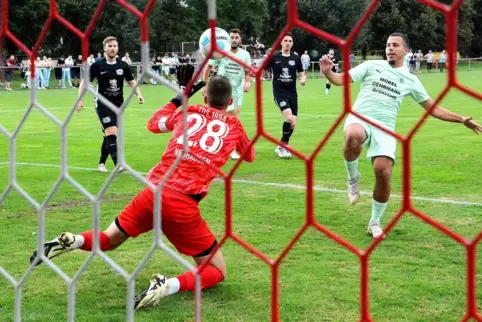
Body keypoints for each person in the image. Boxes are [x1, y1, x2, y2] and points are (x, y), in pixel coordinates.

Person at [29, 71, 256, 310]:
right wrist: (231, 122)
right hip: (182, 203)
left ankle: (73, 240)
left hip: (152, 192)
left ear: (205, 98)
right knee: (216, 270)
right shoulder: (234, 126)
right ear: (231, 102)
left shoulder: (188, 111)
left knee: (109, 239)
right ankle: (167, 285)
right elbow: (249, 156)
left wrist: (181, 98)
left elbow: (153, 123)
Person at [319, 32, 482, 238]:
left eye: (395, 45)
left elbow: (432, 108)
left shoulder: (410, 80)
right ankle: (353, 179)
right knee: (352, 134)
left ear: (406, 50)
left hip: (385, 128)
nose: (389, 48)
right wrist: (327, 73)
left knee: (383, 172)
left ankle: (375, 222)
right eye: (387, 44)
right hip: (360, 118)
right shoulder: (371, 66)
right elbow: (341, 79)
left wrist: (461, 119)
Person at [76, 36, 144, 172]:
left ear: (117, 48)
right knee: (111, 131)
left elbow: (131, 81)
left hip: (118, 105)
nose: (112, 48)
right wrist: (80, 99)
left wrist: (139, 94)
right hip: (102, 103)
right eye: (109, 46)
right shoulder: (97, 65)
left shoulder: (123, 65)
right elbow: (85, 82)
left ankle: (101, 163)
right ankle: (118, 164)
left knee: (109, 134)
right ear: (104, 48)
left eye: (114, 46)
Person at [202, 29, 252, 160]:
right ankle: (233, 148)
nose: (234, 40)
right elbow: (208, 67)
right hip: (223, 89)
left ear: (240, 40)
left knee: (231, 119)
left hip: (237, 91)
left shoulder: (245, 55)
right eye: (232, 37)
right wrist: (204, 85)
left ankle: (213, 143)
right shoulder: (222, 53)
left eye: (236, 37)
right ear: (228, 39)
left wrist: (248, 82)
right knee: (233, 118)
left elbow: (248, 72)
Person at [265, 32, 306, 159]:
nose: (287, 43)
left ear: (292, 43)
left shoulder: (296, 58)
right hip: (279, 93)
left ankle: (280, 146)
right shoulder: (274, 57)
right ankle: (285, 147)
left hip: (292, 93)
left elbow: (301, 73)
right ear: (281, 43)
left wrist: (303, 79)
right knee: (288, 118)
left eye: (290, 41)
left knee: (293, 123)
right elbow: (262, 69)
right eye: (285, 41)